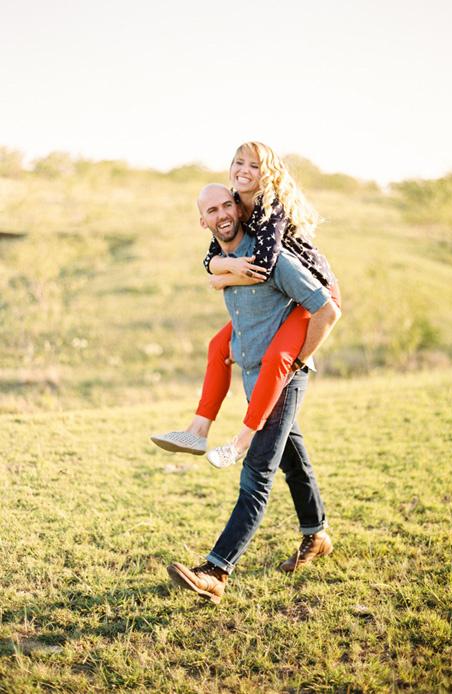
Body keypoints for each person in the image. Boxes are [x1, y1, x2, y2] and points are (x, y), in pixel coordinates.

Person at [166, 183, 341, 604]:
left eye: (228, 204)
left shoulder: (273, 260)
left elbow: (326, 308)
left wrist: (298, 359)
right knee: (292, 461)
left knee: (257, 472)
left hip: (282, 378)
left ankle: (216, 570)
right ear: (203, 221)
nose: (222, 213)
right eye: (212, 209)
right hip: (255, 378)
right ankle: (316, 535)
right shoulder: (225, 262)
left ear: (240, 210)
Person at [151, 142, 341, 465]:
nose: (244, 170)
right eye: (239, 162)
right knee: (218, 347)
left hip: (313, 295)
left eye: (254, 166)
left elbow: (263, 267)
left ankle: (240, 444)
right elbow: (212, 256)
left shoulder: (270, 205)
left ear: (266, 173)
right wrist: (218, 269)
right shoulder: (233, 203)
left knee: (279, 357)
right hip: (283, 293)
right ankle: (198, 429)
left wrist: (224, 278)